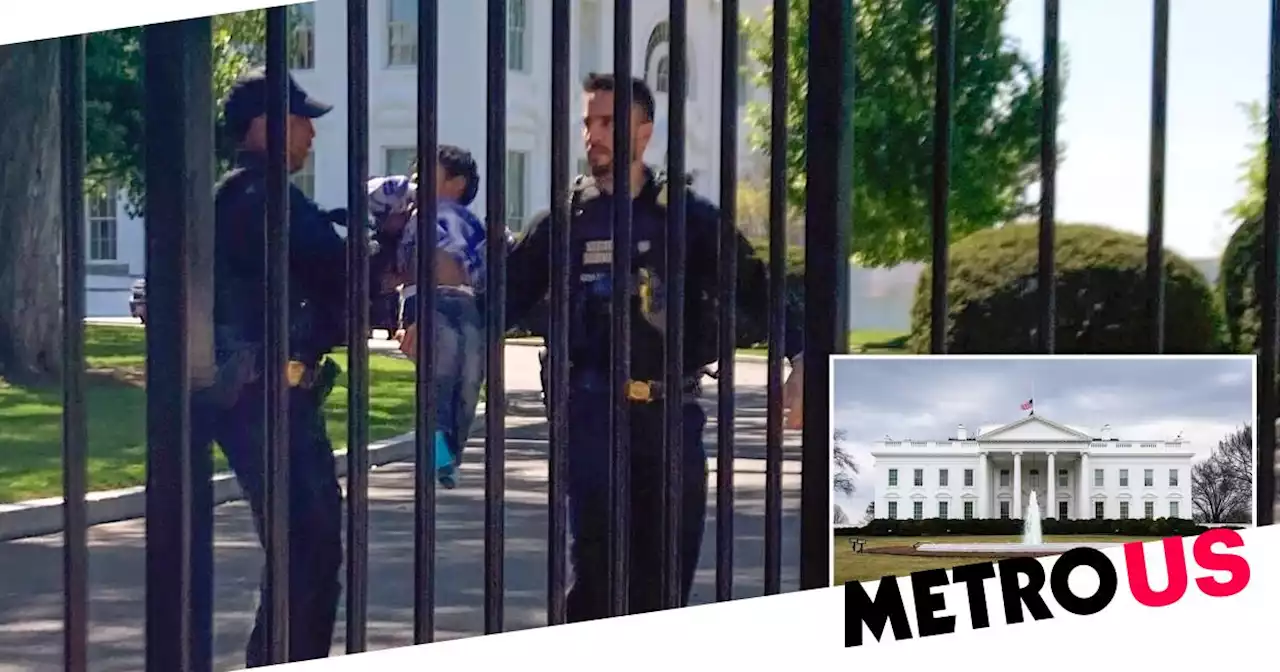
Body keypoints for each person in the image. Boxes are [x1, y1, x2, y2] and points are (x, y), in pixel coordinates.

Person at [505, 73, 805, 622]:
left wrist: (803, 357)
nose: (593, 135)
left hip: (670, 421)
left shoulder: (686, 217)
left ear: (644, 132)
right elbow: (501, 296)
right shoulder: (567, 219)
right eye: (588, 122)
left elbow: (757, 286)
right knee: (596, 584)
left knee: (664, 588)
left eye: (608, 122)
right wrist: (436, 323)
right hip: (592, 419)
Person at [190, 68, 390, 667]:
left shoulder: (246, 196)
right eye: (303, 122)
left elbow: (330, 294)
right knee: (307, 555)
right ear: (266, 126)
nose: (311, 136)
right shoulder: (262, 196)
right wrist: (390, 243)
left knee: (305, 555)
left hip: (273, 398)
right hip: (265, 400)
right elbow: (340, 271)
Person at [368, 145, 491, 489]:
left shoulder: (468, 221)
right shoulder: (412, 213)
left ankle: (451, 452)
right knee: (443, 368)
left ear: (457, 183)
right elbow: (368, 195)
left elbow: (486, 267)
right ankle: (437, 455)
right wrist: (407, 189)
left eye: (428, 172)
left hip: (466, 302)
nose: (418, 179)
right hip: (426, 301)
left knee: (469, 381)